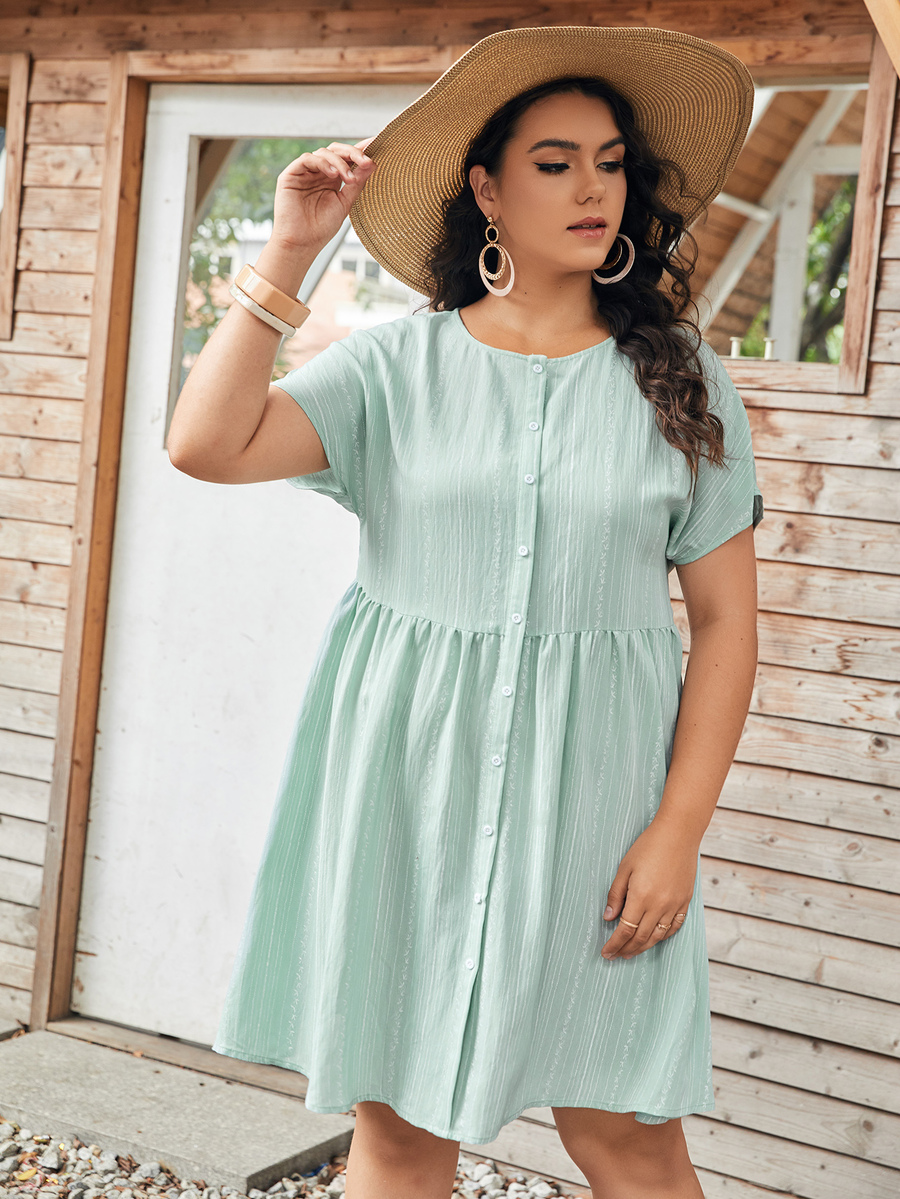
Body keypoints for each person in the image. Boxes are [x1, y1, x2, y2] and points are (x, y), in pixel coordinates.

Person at [168, 24, 764, 1199]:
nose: (593, 188)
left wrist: (678, 830)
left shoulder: (685, 385)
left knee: (630, 1132)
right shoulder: (395, 370)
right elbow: (204, 443)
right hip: (407, 786)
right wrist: (290, 253)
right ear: (487, 189)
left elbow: (728, 624)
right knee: (399, 1134)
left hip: (604, 803)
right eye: (555, 162)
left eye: (610, 162)